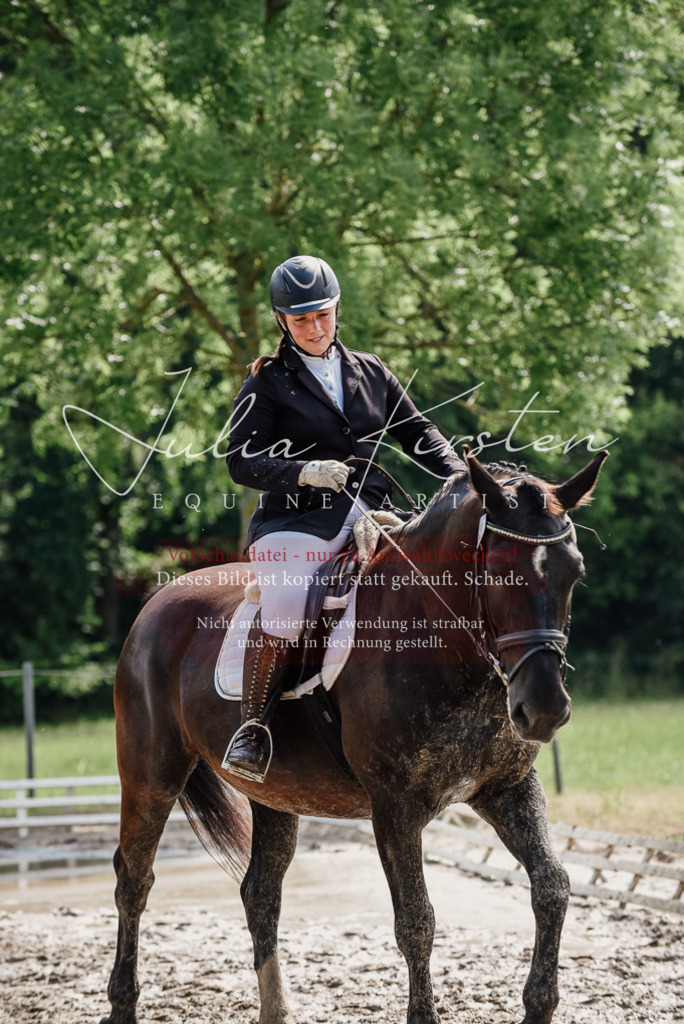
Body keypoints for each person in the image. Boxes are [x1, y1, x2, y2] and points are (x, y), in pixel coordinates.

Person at [222, 254, 465, 781]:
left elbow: (418, 433)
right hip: (296, 522)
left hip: (373, 513)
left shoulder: (371, 370)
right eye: (301, 320)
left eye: (323, 315)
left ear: (337, 310)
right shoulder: (268, 383)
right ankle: (253, 727)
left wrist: (463, 475)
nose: (315, 328)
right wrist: (304, 472)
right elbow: (239, 460)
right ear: (281, 320)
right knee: (288, 602)